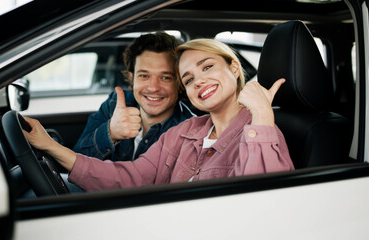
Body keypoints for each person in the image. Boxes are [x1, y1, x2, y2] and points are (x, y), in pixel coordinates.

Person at [24, 39, 294, 192]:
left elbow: (263, 202)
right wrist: (49, 145)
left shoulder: (262, 130)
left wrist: (260, 114)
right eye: (188, 79)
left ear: (234, 68)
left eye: (207, 67)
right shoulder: (186, 131)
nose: (198, 81)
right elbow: (133, 177)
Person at [72, 32, 195, 161]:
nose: (153, 88)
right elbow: (74, 162)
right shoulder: (114, 104)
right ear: (132, 78)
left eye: (165, 77)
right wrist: (111, 133)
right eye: (144, 76)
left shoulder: (191, 131)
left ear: (179, 81)